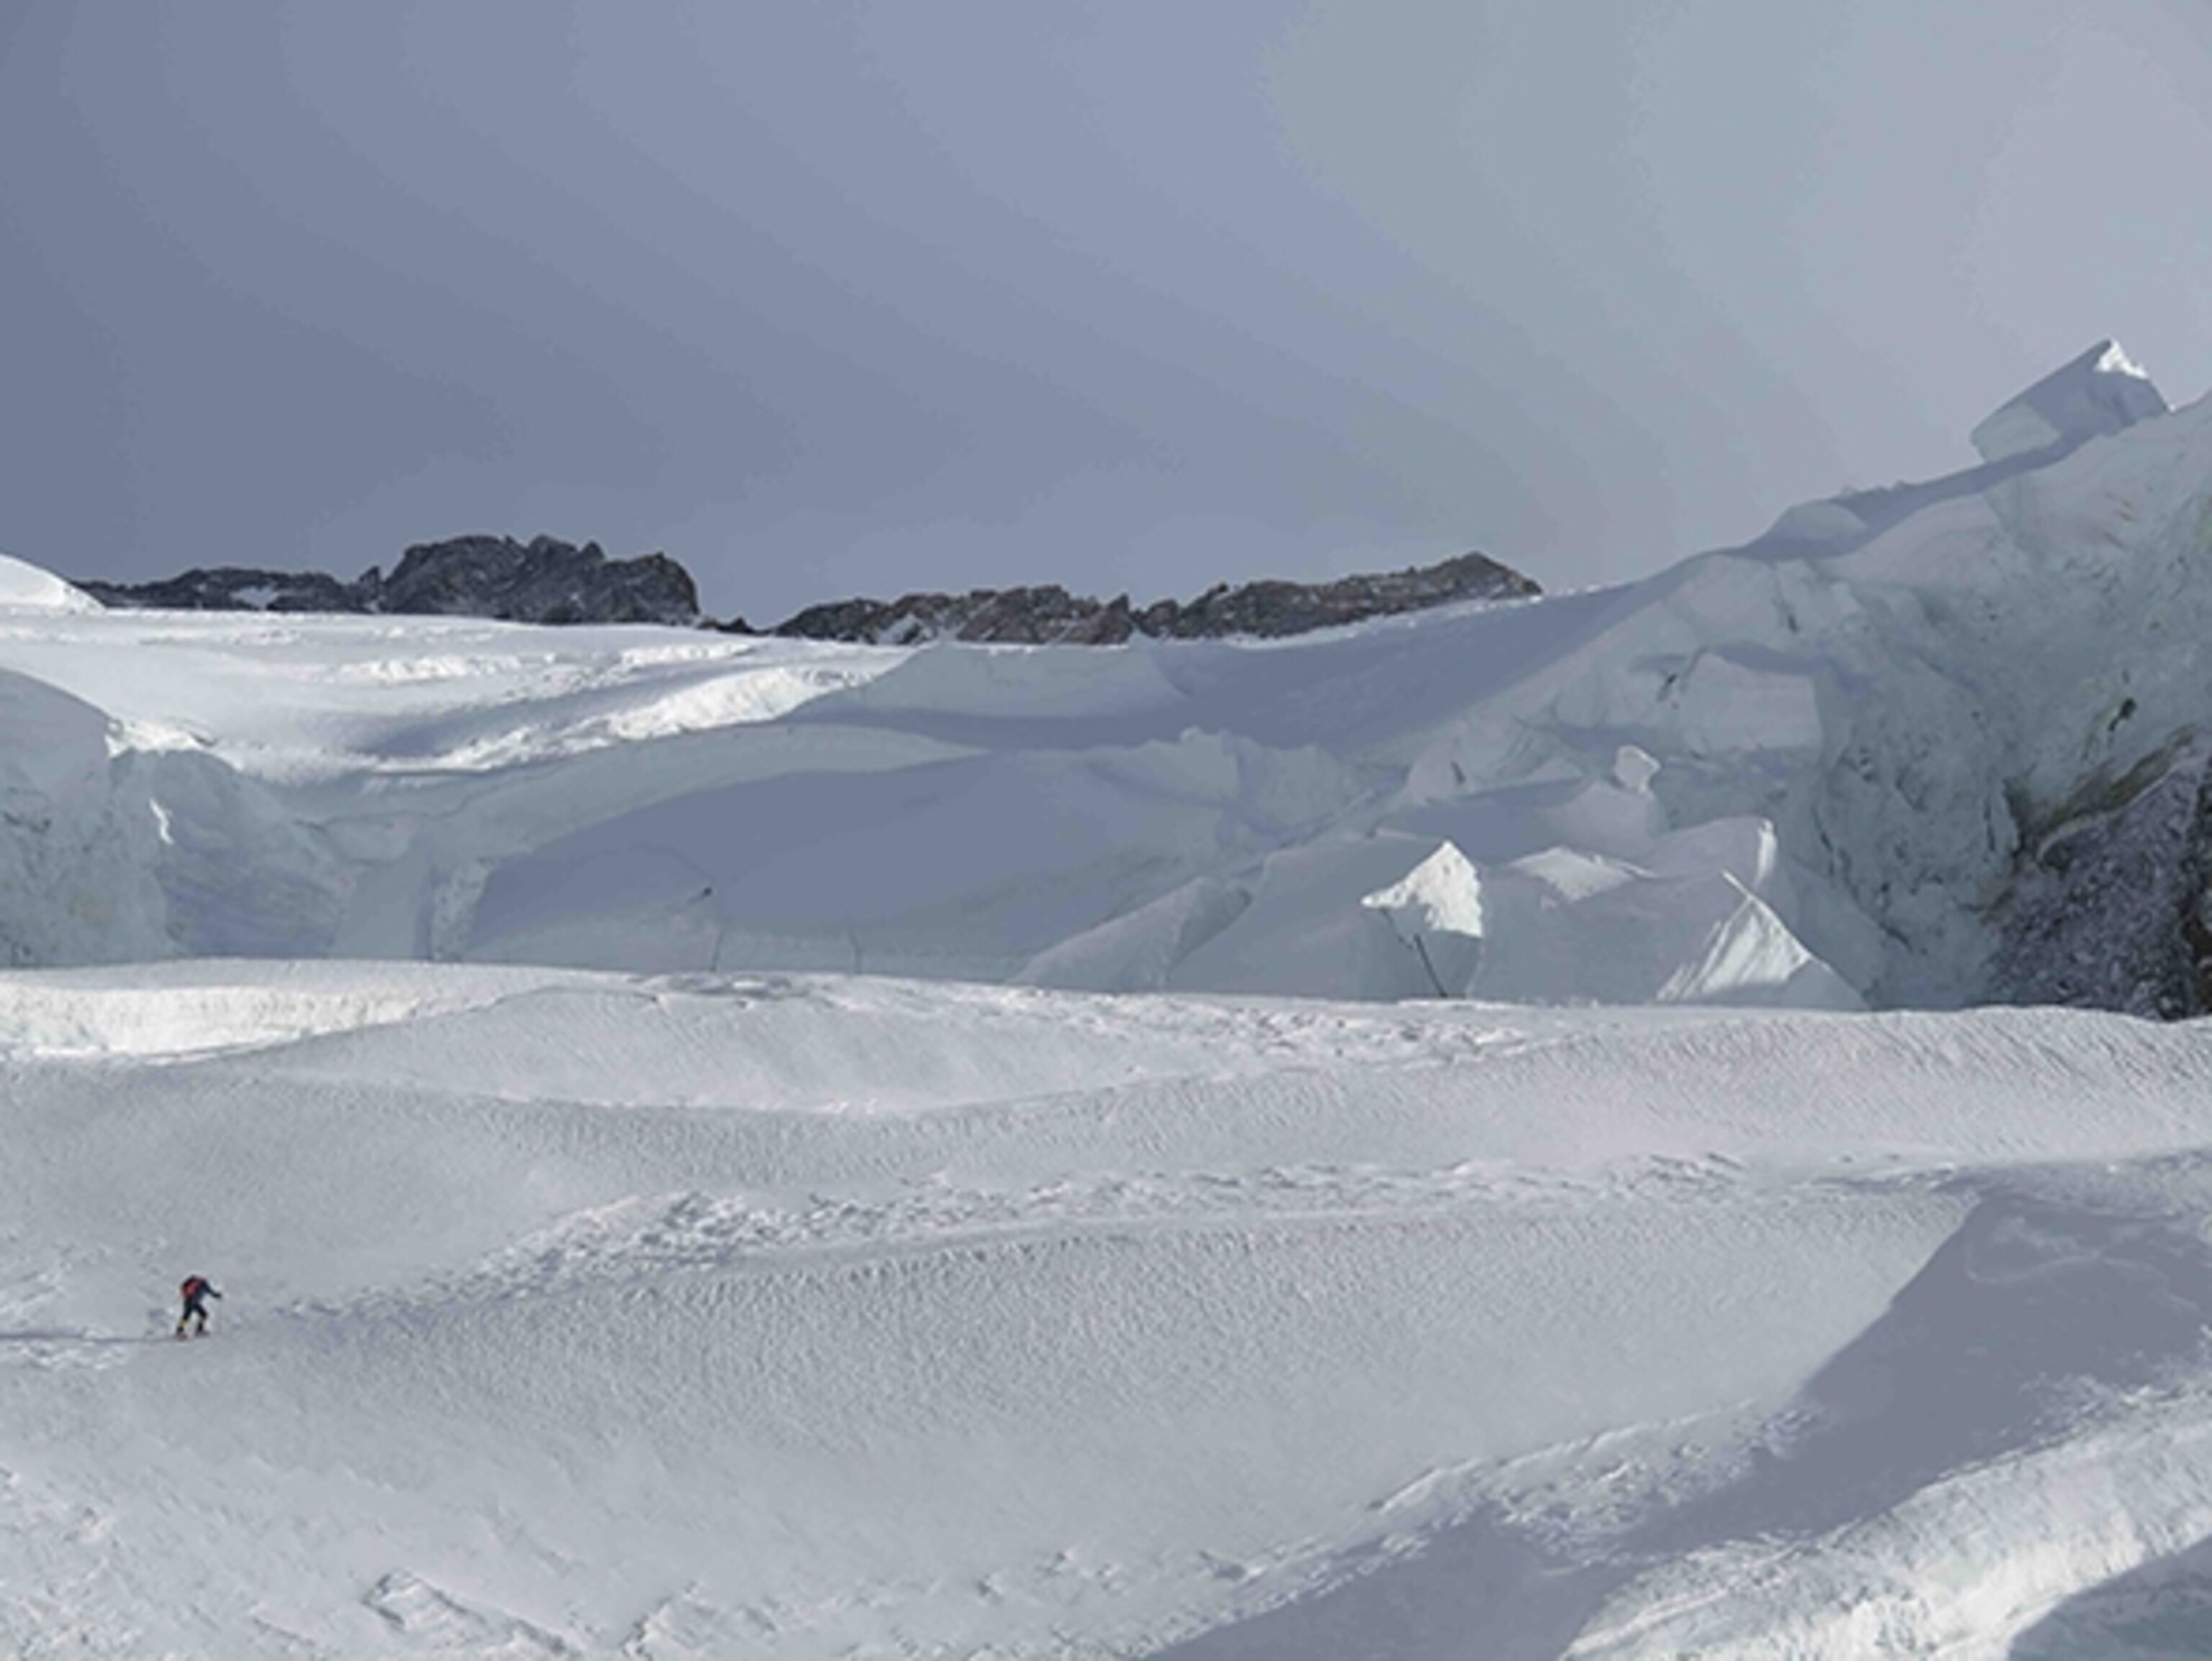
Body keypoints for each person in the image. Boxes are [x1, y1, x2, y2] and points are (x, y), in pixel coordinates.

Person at [176, 1274, 221, 1338]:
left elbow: (210, 1291)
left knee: (200, 1315)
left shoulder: (202, 1284)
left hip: (192, 1302)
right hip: (191, 1301)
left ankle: (184, 1330)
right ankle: (181, 1331)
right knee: (188, 1316)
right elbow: (210, 1291)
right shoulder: (203, 1284)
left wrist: (216, 1295)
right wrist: (216, 1295)